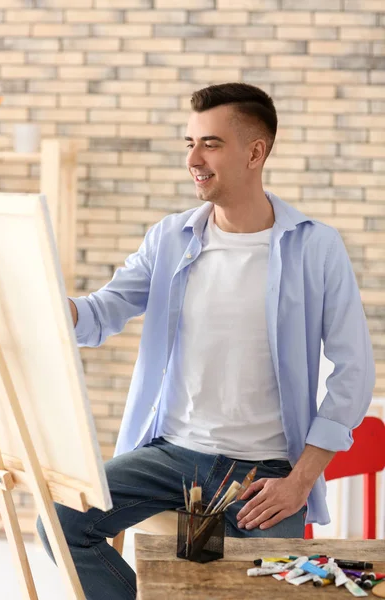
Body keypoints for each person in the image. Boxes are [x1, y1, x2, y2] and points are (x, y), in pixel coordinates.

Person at [37, 82, 375, 600]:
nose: (193, 158)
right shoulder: (171, 237)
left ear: (255, 152)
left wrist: (301, 479)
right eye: (189, 142)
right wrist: (42, 305)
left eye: (210, 143)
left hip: (267, 472)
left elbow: (353, 372)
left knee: (253, 590)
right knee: (60, 523)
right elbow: (103, 312)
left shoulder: (316, 247)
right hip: (172, 454)